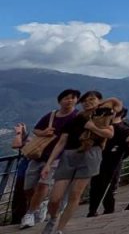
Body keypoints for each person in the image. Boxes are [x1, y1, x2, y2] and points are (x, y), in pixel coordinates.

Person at [40, 94, 119, 234]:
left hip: (90, 154)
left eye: (92, 100)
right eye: (85, 101)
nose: (87, 103)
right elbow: (61, 142)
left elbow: (109, 134)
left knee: (75, 194)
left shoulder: (104, 116)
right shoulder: (75, 119)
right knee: (54, 198)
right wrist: (48, 163)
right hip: (69, 155)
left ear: (99, 101)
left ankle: (60, 229)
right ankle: (53, 218)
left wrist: (92, 127)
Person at [19, 88, 80, 229]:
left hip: (59, 157)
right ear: (60, 101)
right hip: (39, 155)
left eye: (73, 97)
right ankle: (38, 207)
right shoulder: (51, 115)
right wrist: (44, 132)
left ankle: (30, 214)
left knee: (42, 185)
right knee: (28, 188)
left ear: (77, 100)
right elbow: (36, 129)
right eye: (66, 98)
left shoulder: (77, 117)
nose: (70, 100)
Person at [87, 107, 129, 216]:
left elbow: (128, 147)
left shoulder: (122, 129)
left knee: (103, 184)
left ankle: (98, 209)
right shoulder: (125, 128)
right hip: (110, 158)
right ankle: (101, 209)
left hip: (109, 158)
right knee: (103, 185)